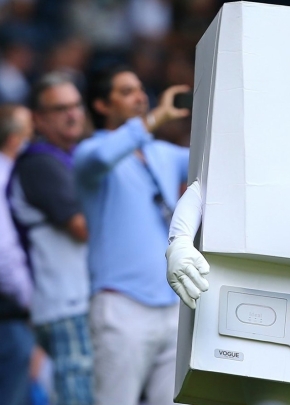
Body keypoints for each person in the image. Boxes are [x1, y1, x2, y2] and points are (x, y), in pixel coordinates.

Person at [73, 65, 190, 405]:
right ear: (100, 105)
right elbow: (103, 156)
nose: (140, 97)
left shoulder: (162, 153)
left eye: (140, 89)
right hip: (121, 304)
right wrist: (154, 119)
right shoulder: (90, 154)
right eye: (125, 92)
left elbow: (214, 156)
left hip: (171, 305)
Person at [7, 72, 93, 405]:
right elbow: (83, 228)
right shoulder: (40, 162)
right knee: (78, 396)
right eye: (60, 109)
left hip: (73, 301)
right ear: (37, 119)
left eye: (76, 105)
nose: (72, 114)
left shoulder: (70, 156)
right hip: (63, 304)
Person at [0, 103, 34, 405]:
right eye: (28, 133)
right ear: (14, 139)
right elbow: (4, 252)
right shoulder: (5, 177)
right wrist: (30, 301)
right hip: (8, 315)